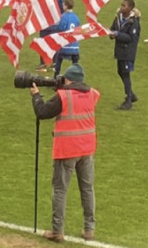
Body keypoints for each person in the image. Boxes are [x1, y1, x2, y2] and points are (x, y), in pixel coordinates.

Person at [30, 63, 98, 242]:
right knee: (87, 188)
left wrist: (36, 96)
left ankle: (57, 231)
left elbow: (43, 112)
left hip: (67, 149)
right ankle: (89, 229)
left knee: (60, 189)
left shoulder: (63, 96)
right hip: (87, 148)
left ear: (69, 80)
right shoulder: (92, 93)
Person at [110, 0, 140, 110]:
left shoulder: (133, 22)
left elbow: (130, 38)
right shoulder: (118, 17)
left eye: (124, 6)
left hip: (128, 51)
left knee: (126, 74)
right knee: (120, 71)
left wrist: (117, 34)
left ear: (130, 8)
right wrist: (111, 34)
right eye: (121, 5)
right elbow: (112, 28)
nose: (122, 7)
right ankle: (131, 95)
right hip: (120, 50)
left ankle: (128, 101)